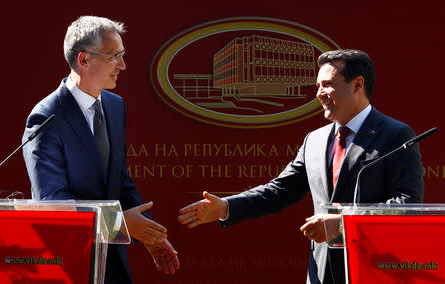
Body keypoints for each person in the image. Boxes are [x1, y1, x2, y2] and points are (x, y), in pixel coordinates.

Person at [178, 49, 424, 284]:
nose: (319, 93)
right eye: (318, 86)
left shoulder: (396, 135)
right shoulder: (314, 140)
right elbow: (279, 191)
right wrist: (226, 206)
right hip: (321, 272)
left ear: (358, 85)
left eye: (328, 84)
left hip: (373, 270)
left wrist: (342, 225)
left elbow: (407, 205)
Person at [23, 16, 179, 283]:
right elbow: (51, 204)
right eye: (115, 56)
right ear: (84, 60)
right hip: (69, 266)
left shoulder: (116, 106)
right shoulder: (45, 117)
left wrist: (151, 237)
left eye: (123, 55)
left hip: (113, 266)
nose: (123, 65)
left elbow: (119, 180)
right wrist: (118, 223)